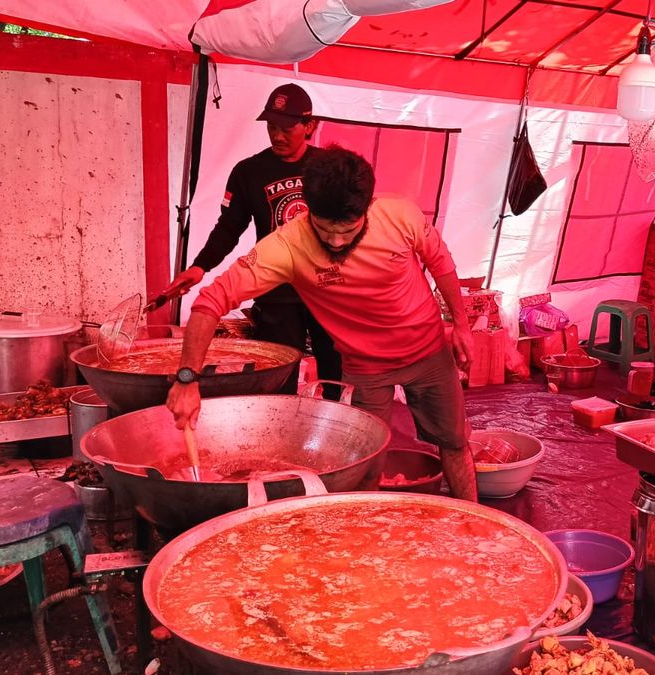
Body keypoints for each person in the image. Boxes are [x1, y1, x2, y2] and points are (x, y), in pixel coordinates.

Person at [166, 145, 478, 501]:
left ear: (368, 206)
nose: (336, 241)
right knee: (366, 468)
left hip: (430, 354)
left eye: (348, 229)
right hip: (366, 370)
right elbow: (210, 302)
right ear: (308, 210)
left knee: (455, 443)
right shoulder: (287, 246)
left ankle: (477, 527)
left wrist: (462, 324)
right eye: (324, 228)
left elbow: (440, 261)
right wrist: (187, 377)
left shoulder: (400, 216)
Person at [163, 83, 341, 393]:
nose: (277, 134)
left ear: (310, 125)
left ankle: (338, 433)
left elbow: (350, 220)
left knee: (337, 372)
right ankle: (280, 435)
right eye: (272, 126)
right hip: (276, 293)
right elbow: (230, 226)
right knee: (278, 377)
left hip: (327, 288)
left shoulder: (330, 168)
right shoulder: (249, 172)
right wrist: (200, 266)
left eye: (286, 127)